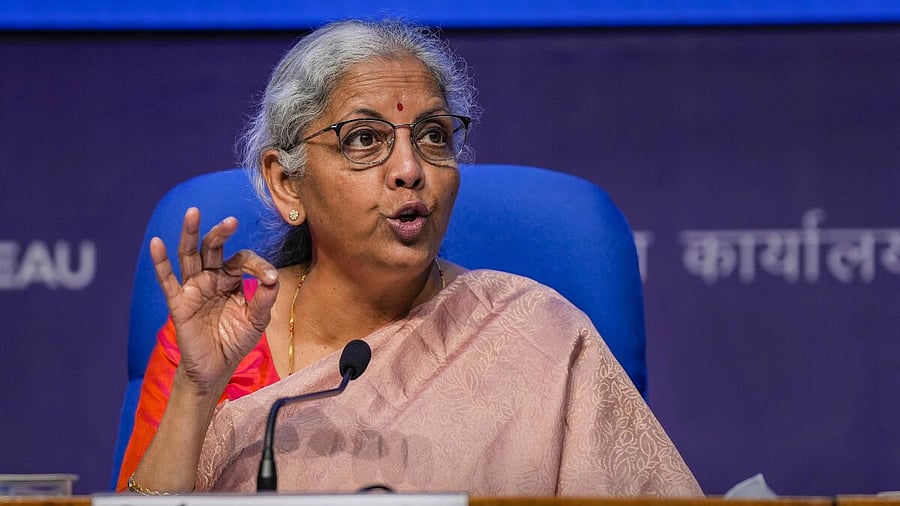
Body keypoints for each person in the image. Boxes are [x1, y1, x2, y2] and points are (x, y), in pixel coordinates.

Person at [119, 19, 703, 496]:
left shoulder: (537, 335)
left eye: (433, 135)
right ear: (286, 184)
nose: (410, 169)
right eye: (365, 139)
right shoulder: (220, 339)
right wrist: (198, 390)